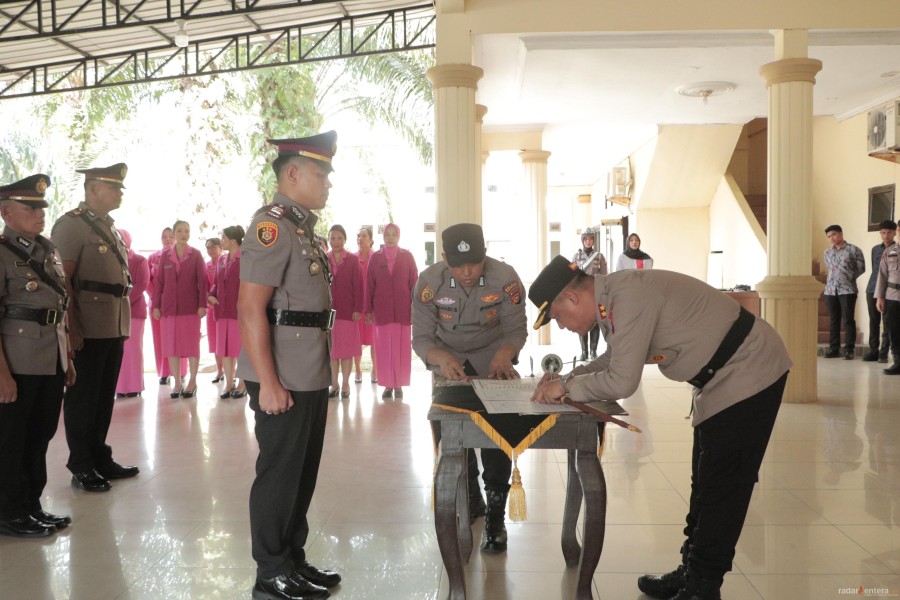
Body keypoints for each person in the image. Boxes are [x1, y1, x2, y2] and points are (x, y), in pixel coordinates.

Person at [528, 255, 792, 600]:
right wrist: (568, 378)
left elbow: (622, 380)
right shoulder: (613, 300)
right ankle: (691, 571)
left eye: (557, 317)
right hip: (719, 378)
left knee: (723, 486)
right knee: (705, 481)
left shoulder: (627, 296)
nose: (561, 326)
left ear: (571, 297)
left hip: (748, 368)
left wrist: (564, 387)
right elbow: (615, 358)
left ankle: (703, 587)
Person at [236, 131, 341, 600]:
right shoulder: (272, 226)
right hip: (282, 374)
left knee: (302, 472)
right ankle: (271, 571)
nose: (328, 183)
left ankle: (292, 560)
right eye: (321, 174)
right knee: (279, 473)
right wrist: (269, 383)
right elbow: (249, 308)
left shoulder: (303, 230)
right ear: (292, 173)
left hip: (308, 368)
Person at [411, 223, 526, 554]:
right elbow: (421, 337)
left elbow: (516, 329)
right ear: (445, 258)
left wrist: (506, 353)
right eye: (459, 265)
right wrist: (440, 358)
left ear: (484, 255)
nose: (467, 272)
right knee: (451, 435)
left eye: (474, 264)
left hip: (493, 360)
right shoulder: (428, 283)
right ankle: (472, 496)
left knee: (497, 434)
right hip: (449, 364)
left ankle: (495, 514)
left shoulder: (505, 278)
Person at [51, 162, 139, 493]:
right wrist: (71, 329)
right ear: (93, 189)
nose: (119, 193)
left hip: (112, 324)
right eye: (114, 187)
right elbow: (63, 282)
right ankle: (81, 463)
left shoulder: (109, 227)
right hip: (87, 326)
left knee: (103, 398)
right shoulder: (72, 225)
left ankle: (100, 456)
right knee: (83, 398)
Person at [0, 174, 75, 537]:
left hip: (50, 357)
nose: (40, 214)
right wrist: (1, 374)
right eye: (30, 208)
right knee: (11, 439)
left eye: (41, 208)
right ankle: (8, 511)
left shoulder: (46, 250)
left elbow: (58, 306)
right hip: (18, 361)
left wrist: (67, 358)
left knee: (40, 435)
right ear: (6, 213)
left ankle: (30, 505)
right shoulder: (2, 253)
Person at [151, 220, 207, 399]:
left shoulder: (196, 254)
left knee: (192, 346)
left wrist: (202, 305)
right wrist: (156, 306)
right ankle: (177, 382)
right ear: (174, 233)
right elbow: (159, 283)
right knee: (171, 346)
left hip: (190, 308)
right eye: (181, 231)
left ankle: (192, 381)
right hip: (168, 308)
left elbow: (203, 282)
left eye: (187, 231)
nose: (184, 234)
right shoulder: (165, 256)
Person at [365, 223, 418, 399]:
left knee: (401, 349)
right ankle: (388, 385)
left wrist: (416, 309)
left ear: (399, 236)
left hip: (403, 311)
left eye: (394, 234)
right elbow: (369, 286)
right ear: (383, 236)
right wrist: (368, 310)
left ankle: (399, 385)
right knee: (384, 349)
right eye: (387, 234)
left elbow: (415, 284)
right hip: (382, 311)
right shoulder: (375, 258)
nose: (390, 237)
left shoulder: (407, 257)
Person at [208, 225, 246, 399]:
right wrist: (211, 295)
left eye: (223, 237)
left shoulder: (246, 258)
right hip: (221, 311)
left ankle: (242, 383)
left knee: (239, 349)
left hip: (238, 312)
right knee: (225, 350)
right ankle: (229, 383)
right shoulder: (222, 260)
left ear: (232, 240)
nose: (221, 241)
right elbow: (216, 283)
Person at [326, 224, 362, 398]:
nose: (336, 241)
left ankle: (346, 384)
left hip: (348, 311)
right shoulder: (324, 259)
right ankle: (334, 384)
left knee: (347, 351)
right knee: (332, 351)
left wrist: (358, 308)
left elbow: (358, 286)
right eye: (333, 238)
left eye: (339, 238)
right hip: (328, 312)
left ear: (345, 240)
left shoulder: (353, 260)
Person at [115, 229, 150, 398]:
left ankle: (135, 386)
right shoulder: (112, 259)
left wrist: (123, 301)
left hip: (134, 312)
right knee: (118, 350)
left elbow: (142, 284)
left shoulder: (140, 260)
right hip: (116, 312)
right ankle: (120, 387)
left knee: (133, 350)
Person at [823, 224, 865, 360]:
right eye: (829, 236)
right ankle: (834, 349)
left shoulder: (853, 250)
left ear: (841, 234)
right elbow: (829, 268)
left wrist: (848, 277)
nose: (832, 238)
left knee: (848, 319)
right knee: (834, 320)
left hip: (847, 289)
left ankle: (849, 350)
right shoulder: (827, 253)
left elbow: (861, 268)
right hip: (830, 290)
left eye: (834, 234)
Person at [149, 227, 184, 385]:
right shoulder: (153, 258)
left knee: (179, 338)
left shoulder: (183, 255)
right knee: (160, 339)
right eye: (164, 236)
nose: (168, 239)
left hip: (179, 304)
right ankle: (164, 372)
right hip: (158, 304)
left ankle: (181, 372)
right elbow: (147, 281)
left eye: (171, 236)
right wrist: (158, 298)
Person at [863, 220, 896, 363]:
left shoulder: (896, 250)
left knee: (887, 322)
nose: (886, 235)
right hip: (872, 288)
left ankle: (883, 353)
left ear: (894, 233)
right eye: (883, 232)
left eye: (889, 232)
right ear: (880, 233)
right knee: (873, 320)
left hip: (890, 291)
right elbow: (875, 270)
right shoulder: (875, 249)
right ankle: (873, 351)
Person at [571, 227, 605, 361]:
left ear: (593, 240)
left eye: (590, 239)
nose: (588, 241)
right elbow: (571, 275)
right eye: (585, 239)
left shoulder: (599, 256)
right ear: (582, 240)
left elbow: (604, 275)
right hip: (581, 294)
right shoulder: (576, 256)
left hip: (595, 292)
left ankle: (593, 351)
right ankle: (584, 351)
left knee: (596, 322)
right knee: (582, 322)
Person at [875, 223, 900, 375]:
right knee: (894, 330)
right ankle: (898, 362)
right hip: (892, 296)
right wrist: (880, 297)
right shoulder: (890, 251)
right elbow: (882, 275)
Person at [354, 226, 376, 384]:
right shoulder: (352, 259)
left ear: (371, 240)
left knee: (374, 340)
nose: (360, 239)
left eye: (363, 236)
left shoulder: (377, 258)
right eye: (358, 236)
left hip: (373, 306)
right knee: (356, 339)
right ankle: (358, 370)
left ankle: (375, 370)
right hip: (357, 306)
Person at [205, 237, 225, 382]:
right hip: (211, 308)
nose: (210, 250)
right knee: (215, 340)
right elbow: (204, 286)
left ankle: (232, 372)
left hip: (226, 308)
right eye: (208, 248)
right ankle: (219, 370)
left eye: (213, 247)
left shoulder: (227, 262)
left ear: (221, 247)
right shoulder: (206, 266)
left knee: (227, 340)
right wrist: (210, 301)